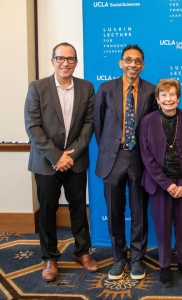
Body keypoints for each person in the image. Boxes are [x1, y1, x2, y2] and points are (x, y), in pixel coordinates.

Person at [24, 42, 99, 281]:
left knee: (79, 208)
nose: (65, 63)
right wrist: (57, 156)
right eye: (60, 58)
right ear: (53, 61)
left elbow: (89, 125)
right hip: (46, 162)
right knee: (47, 211)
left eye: (70, 59)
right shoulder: (37, 87)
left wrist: (71, 155)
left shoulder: (87, 88)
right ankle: (50, 258)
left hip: (75, 161)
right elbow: (33, 126)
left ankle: (82, 252)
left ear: (76, 62)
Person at [93, 44, 157, 280]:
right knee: (114, 211)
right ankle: (119, 258)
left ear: (143, 65)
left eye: (137, 61)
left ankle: (137, 259)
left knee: (139, 210)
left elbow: (153, 127)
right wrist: (111, 147)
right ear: (121, 63)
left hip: (140, 159)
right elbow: (98, 125)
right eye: (128, 60)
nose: (133, 64)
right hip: (113, 157)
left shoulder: (151, 91)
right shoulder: (106, 89)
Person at [140, 79, 182, 287]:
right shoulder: (147, 121)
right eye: (163, 95)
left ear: (179, 97)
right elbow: (146, 156)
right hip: (159, 185)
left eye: (172, 95)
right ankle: (164, 266)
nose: (168, 99)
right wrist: (167, 185)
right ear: (157, 99)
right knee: (163, 227)